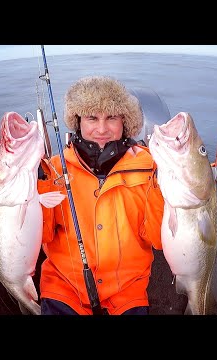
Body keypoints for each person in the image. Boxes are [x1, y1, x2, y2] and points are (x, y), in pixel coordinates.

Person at [36, 76, 164, 315]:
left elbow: (157, 239)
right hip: (65, 287)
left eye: (112, 118)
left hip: (128, 290)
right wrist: (35, 183)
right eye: (92, 118)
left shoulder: (151, 167)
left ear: (125, 122)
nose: (102, 129)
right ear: (78, 122)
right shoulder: (53, 170)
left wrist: (163, 182)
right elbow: (41, 235)